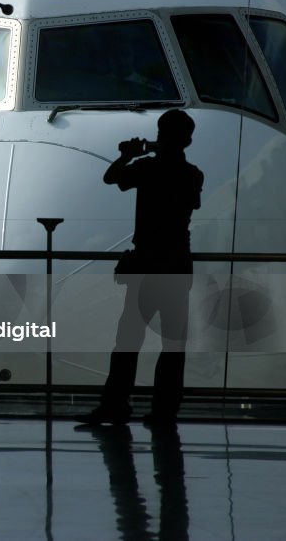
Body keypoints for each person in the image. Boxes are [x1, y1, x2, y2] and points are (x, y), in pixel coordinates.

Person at [79, 109, 203, 426]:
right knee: (173, 344)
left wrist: (128, 155)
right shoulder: (192, 175)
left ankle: (115, 405)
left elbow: (110, 178)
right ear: (188, 140)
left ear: (160, 135)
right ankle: (165, 410)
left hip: (147, 264)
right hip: (176, 266)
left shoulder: (147, 169)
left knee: (128, 341)